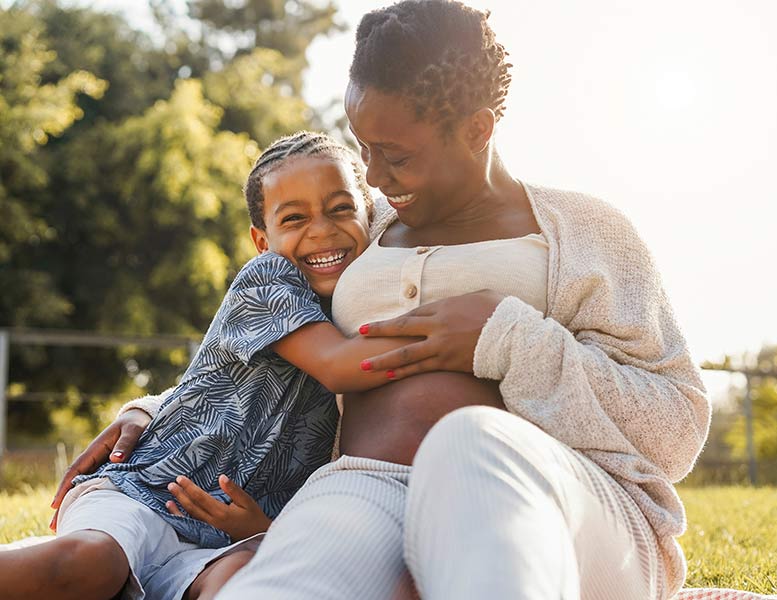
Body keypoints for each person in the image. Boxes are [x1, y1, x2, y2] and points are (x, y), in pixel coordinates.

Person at [51, 2, 711, 599]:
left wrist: (511, 341)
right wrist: (151, 413)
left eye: (394, 154)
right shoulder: (358, 231)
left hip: (554, 496)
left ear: (477, 130)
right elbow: (270, 351)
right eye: (362, 146)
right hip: (363, 486)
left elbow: (677, 428)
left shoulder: (582, 233)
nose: (370, 175)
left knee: (468, 442)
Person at [0, 130, 498, 600]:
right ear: (263, 240)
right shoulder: (268, 280)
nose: (321, 231)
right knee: (90, 565)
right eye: (294, 219)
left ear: (371, 215)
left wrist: (262, 526)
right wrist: (474, 329)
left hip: (227, 536)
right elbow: (339, 366)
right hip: (147, 493)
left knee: (243, 584)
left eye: (340, 209)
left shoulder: (366, 305)